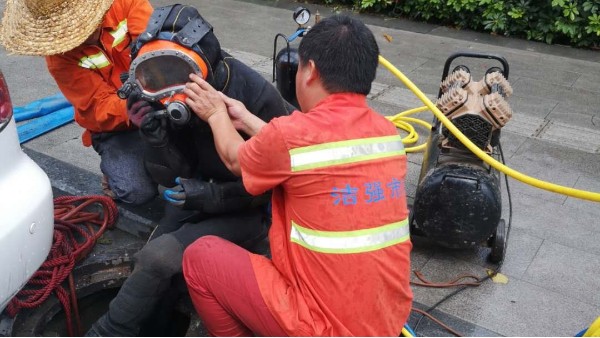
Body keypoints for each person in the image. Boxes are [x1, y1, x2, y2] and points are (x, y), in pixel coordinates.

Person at [182, 14, 413, 336]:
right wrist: (247, 120)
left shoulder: (292, 136)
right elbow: (309, 157)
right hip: (386, 320)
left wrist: (215, 113)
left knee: (200, 256)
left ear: (310, 71)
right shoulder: (386, 134)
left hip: (321, 326)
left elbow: (237, 160)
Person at [86, 5, 293, 336]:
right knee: (150, 263)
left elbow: (274, 186)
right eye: (154, 77)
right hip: (193, 198)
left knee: (156, 258)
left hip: (248, 211)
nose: (171, 90)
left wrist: (212, 196)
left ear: (205, 67)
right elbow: (170, 178)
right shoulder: (162, 96)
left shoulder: (253, 96)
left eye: (180, 74)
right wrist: (156, 143)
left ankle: (107, 330)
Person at [0, 0, 157, 205]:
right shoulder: (59, 58)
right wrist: (130, 109)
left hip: (157, 94)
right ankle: (116, 168)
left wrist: (156, 91)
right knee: (136, 191)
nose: (81, 37)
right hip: (113, 126)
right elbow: (96, 106)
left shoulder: (127, 4)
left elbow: (156, 49)